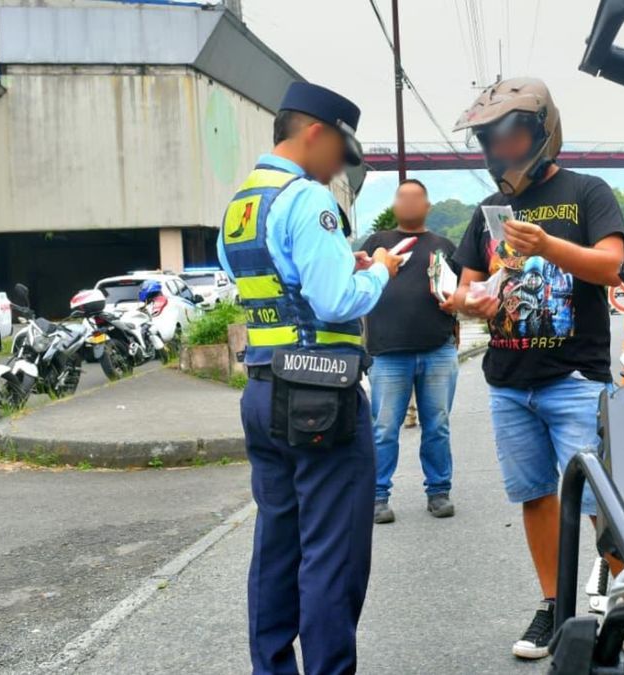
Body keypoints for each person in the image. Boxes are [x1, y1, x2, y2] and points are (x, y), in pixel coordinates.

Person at [216, 81, 402, 675]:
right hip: (319, 394)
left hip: (264, 388)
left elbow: (274, 282)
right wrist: (380, 273)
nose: (339, 170)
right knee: (331, 557)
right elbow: (334, 300)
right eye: (340, 156)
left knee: (276, 549)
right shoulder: (308, 200)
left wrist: (341, 266)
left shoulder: (243, 203)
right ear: (316, 133)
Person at [450, 77, 624, 660]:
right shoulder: (486, 211)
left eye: (513, 135)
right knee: (534, 496)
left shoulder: (588, 191)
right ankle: (554, 605)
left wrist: (549, 246)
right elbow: (468, 286)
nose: (502, 150)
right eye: (490, 140)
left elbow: (610, 267)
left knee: (603, 500)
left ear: (543, 130)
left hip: (574, 376)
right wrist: (464, 302)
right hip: (507, 381)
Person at [359, 178, 461, 524]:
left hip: (437, 350)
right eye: (403, 197)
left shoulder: (444, 245)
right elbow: (360, 282)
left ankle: (439, 491)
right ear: (394, 205)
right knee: (384, 428)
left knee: (438, 426)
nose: (410, 203)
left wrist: (455, 308)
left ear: (428, 205)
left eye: (417, 197)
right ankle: (377, 496)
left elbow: (460, 290)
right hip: (387, 354)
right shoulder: (378, 244)